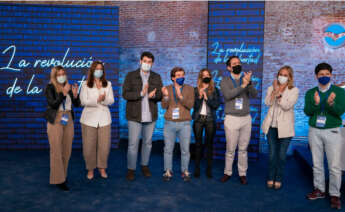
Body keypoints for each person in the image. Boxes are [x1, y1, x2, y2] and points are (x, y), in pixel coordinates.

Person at [305, 63, 345, 210]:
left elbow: (340, 111)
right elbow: (307, 112)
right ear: (316, 76)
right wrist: (316, 104)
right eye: (321, 74)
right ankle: (319, 190)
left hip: (333, 131)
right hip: (314, 130)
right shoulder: (310, 92)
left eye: (327, 74)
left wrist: (331, 104)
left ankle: (335, 194)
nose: (324, 77)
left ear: (331, 75)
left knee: (334, 165)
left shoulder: (339, 92)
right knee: (317, 163)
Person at [122, 52, 163, 181]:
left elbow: (160, 95)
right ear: (140, 61)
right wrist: (141, 93)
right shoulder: (131, 76)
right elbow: (125, 94)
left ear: (152, 63)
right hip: (134, 115)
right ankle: (131, 169)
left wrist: (154, 96)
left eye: (149, 62)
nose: (146, 63)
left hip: (150, 116)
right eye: (144, 61)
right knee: (133, 144)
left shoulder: (156, 77)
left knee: (147, 143)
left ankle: (144, 165)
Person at [220, 56, 257, 185]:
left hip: (246, 118)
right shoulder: (224, 81)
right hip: (231, 118)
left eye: (239, 63)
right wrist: (243, 85)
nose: (237, 65)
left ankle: (242, 173)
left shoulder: (246, 79)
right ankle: (227, 172)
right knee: (230, 148)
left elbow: (254, 94)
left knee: (243, 149)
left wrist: (249, 83)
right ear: (229, 67)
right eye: (234, 63)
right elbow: (228, 95)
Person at [261, 66, 299, 189]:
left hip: (285, 129)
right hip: (271, 127)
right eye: (280, 74)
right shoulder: (271, 88)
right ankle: (271, 177)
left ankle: (278, 178)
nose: (282, 77)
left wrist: (279, 94)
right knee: (272, 155)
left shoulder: (294, 90)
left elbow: (286, 106)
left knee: (282, 156)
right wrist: (274, 91)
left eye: (285, 75)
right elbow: (267, 103)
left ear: (290, 77)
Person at [44, 65, 80, 191]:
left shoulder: (68, 86)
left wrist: (75, 95)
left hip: (68, 118)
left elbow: (76, 104)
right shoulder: (50, 87)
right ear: (54, 76)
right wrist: (63, 94)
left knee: (66, 150)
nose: (62, 76)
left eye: (63, 73)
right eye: (59, 74)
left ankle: (62, 176)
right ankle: (58, 179)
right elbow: (52, 104)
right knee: (56, 150)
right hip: (56, 118)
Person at [80, 61, 114, 180]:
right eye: (96, 69)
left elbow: (111, 100)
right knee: (89, 146)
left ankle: (102, 168)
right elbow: (83, 101)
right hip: (89, 119)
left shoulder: (108, 84)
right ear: (92, 70)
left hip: (104, 119)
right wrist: (97, 100)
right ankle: (90, 169)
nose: (99, 71)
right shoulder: (85, 84)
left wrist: (103, 100)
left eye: (101, 69)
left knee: (104, 146)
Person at [161, 67, 194, 182]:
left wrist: (181, 97)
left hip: (185, 123)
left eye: (182, 75)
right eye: (178, 75)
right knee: (168, 149)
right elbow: (164, 106)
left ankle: (185, 171)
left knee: (185, 149)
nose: (181, 77)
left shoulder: (190, 89)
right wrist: (165, 96)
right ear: (173, 78)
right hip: (169, 123)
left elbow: (190, 105)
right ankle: (168, 171)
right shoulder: (167, 88)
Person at [192, 68, 221, 178]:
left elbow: (216, 105)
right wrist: (199, 97)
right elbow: (193, 106)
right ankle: (197, 169)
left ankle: (209, 169)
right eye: (204, 75)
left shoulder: (215, 90)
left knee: (209, 145)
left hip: (210, 120)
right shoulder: (195, 90)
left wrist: (206, 97)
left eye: (208, 75)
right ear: (200, 77)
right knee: (198, 145)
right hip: (198, 119)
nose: (206, 77)